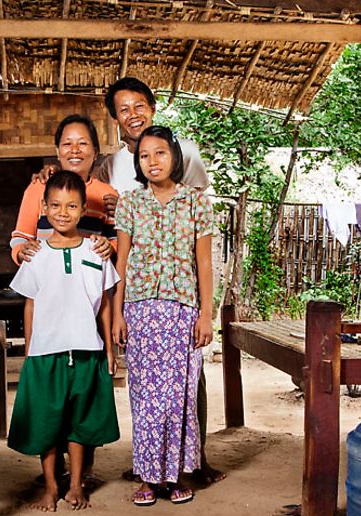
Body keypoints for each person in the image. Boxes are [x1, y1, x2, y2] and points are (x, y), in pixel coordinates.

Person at [101, 77, 223, 485]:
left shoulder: (187, 162)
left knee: (187, 385)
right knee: (146, 388)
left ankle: (192, 464)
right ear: (115, 119)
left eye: (138, 105)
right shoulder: (115, 163)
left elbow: (202, 253)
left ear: (151, 108)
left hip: (181, 296)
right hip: (140, 297)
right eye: (123, 109)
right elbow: (121, 246)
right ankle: (151, 464)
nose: (131, 113)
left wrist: (206, 313)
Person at [7, 171, 121, 511]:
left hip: (87, 348)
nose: (63, 212)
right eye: (55, 205)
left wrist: (109, 349)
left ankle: (75, 486)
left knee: (79, 421)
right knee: (47, 421)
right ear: (44, 207)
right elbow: (30, 303)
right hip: (46, 351)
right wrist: (29, 351)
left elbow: (103, 304)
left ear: (84, 209)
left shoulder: (96, 250)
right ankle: (51, 487)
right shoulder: (36, 253)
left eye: (72, 206)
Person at [113, 126, 214, 506]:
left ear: (175, 157)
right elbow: (120, 263)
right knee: (144, 397)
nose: (152, 162)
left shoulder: (197, 203)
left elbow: (204, 264)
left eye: (159, 153)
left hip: (183, 310)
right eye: (144, 156)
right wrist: (118, 314)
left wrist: (206, 315)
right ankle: (148, 478)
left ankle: (174, 478)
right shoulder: (130, 204)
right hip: (140, 311)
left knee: (178, 397)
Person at [10, 114, 119, 265]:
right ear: (58, 152)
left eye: (82, 143)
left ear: (95, 152)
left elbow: (116, 238)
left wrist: (111, 248)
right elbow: (20, 237)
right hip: (47, 280)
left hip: (89, 282)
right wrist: (21, 251)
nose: (75, 150)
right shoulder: (39, 187)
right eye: (67, 144)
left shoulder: (107, 194)